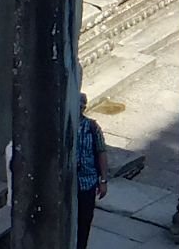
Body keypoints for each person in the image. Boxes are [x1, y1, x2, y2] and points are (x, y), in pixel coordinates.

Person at [74, 93, 107, 249]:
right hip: (69, 182)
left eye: (83, 105)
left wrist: (103, 180)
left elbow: (101, 152)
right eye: (78, 104)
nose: (80, 107)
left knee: (85, 219)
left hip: (87, 181)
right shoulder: (66, 125)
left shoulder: (92, 127)